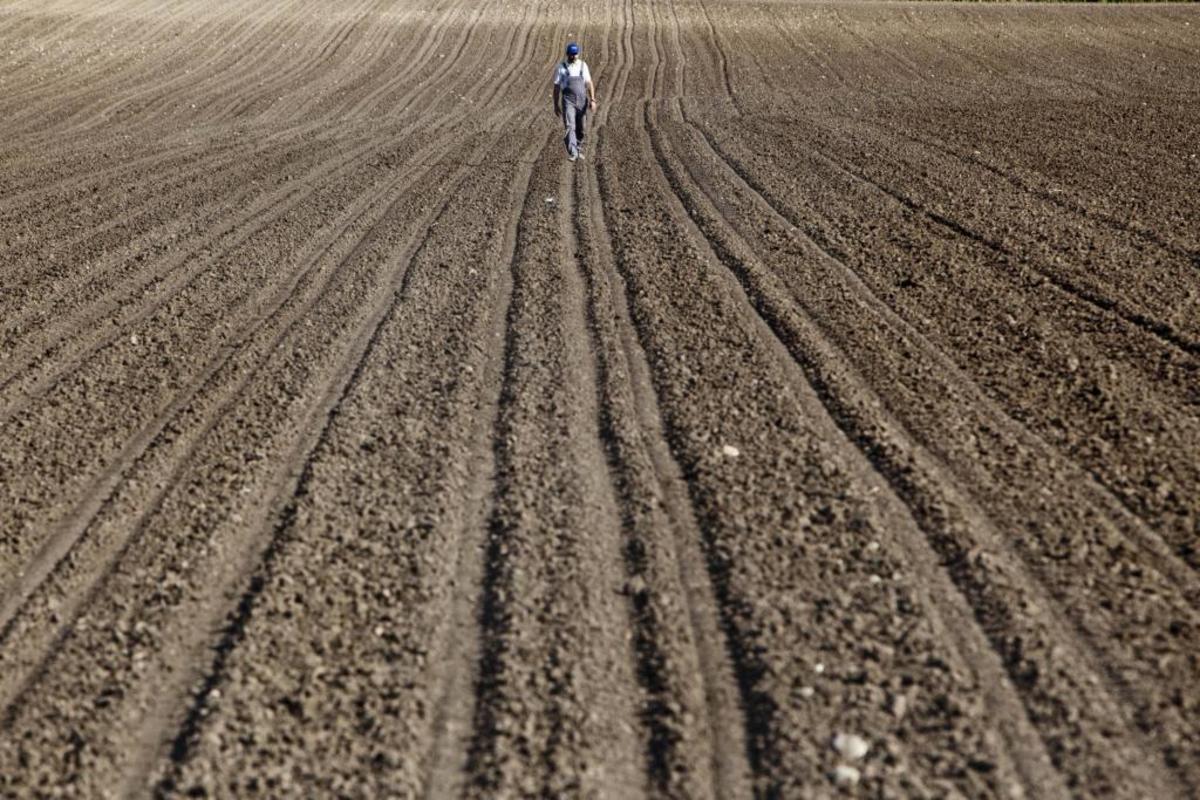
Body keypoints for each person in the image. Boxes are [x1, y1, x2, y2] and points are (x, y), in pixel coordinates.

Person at [553, 42, 597, 162]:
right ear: (567, 54)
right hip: (568, 101)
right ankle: (573, 152)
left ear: (578, 54)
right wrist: (555, 104)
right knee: (570, 126)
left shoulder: (583, 65)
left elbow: (589, 83)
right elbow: (556, 87)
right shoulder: (561, 67)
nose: (573, 56)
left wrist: (592, 99)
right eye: (571, 54)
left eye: (575, 54)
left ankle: (578, 147)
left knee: (581, 127)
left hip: (582, 101)